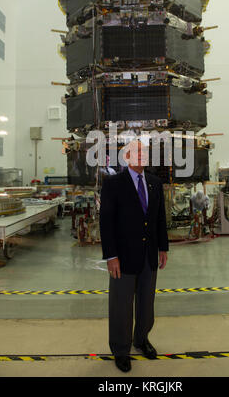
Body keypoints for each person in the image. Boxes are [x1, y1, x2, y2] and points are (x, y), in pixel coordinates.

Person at [99, 139, 169, 373]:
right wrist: (111, 256)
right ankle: (121, 349)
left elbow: (159, 218)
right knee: (121, 305)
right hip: (123, 257)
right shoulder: (113, 184)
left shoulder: (154, 183)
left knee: (146, 303)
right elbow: (106, 223)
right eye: (137, 151)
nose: (142, 154)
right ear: (126, 157)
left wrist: (163, 247)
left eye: (145, 151)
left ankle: (141, 340)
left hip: (149, 255)